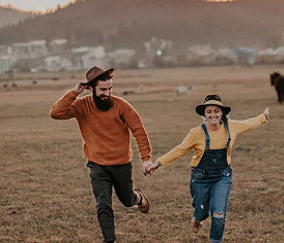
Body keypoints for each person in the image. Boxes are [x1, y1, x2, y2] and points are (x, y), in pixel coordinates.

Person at [146, 94, 269, 243]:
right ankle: (198, 218)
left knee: (218, 215)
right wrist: (157, 163)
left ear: (222, 112)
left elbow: (250, 123)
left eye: (216, 111)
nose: (213, 115)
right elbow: (179, 150)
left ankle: (215, 240)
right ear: (204, 114)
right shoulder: (196, 133)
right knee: (202, 212)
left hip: (222, 176)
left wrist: (263, 117)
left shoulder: (232, 127)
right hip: (200, 178)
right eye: (209, 111)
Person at [50, 66, 152, 243]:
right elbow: (56, 113)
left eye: (110, 88)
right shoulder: (82, 106)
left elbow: (139, 131)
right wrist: (74, 92)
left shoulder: (121, 105)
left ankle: (138, 197)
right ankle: (110, 240)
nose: (107, 93)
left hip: (121, 164)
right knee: (103, 203)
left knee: (127, 200)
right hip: (97, 165)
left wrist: (146, 158)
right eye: (103, 89)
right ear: (90, 88)